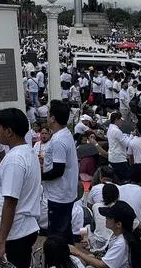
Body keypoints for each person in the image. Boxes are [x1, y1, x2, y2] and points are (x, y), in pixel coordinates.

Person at [0, 107, 41, 268]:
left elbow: (10, 202)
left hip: (13, 233)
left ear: (9, 131)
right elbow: (5, 180)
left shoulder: (15, 160)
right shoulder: (26, 152)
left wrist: (1, 243)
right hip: (23, 228)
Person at [70, 200, 141, 268]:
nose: (105, 218)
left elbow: (103, 265)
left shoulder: (121, 242)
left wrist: (77, 252)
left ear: (119, 224)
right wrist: (93, 255)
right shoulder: (117, 235)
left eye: (109, 217)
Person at [41, 100, 79, 243]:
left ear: (53, 118)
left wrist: (40, 176)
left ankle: (58, 262)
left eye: (48, 113)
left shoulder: (58, 140)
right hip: (65, 192)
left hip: (59, 195)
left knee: (56, 235)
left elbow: (58, 170)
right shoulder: (65, 134)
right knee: (65, 231)